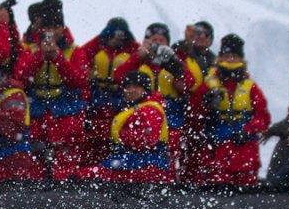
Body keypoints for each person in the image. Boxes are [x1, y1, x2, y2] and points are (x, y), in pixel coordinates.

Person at [13, 0, 87, 180]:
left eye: (56, 27)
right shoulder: (30, 50)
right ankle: (35, 190)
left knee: (65, 154)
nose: (52, 33)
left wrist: (57, 58)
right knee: (34, 154)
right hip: (36, 110)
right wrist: (39, 56)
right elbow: (20, 76)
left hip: (66, 110)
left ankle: (64, 189)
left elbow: (79, 81)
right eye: (48, 28)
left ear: (62, 28)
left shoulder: (75, 52)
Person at [113, 23, 192, 178]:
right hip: (141, 115)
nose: (157, 44)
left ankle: (169, 185)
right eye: (153, 40)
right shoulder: (138, 62)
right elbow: (118, 77)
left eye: (161, 40)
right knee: (138, 154)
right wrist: (139, 57)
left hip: (171, 118)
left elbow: (189, 84)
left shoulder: (175, 62)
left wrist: (174, 64)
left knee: (170, 155)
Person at [194, 34, 270, 185]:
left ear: (241, 59)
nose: (230, 60)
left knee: (246, 196)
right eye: (226, 56)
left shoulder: (250, 87)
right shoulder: (208, 85)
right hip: (217, 151)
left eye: (234, 56)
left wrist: (247, 131)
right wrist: (206, 105)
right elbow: (194, 115)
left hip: (245, 152)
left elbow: (262, 117)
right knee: (216, 193)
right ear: (220, 58)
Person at [76, 71, 173, 183]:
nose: (131, 90)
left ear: (145, 90)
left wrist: (121, 135)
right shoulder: (134, 107)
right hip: (131, 162)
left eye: (136, 87)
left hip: (146, 165)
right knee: (85, 175)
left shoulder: (150, 109)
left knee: (86, 176)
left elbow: (147, 140)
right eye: (128, 87)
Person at [79, 17, 139, 165]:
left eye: (122, 35)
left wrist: (130, 39)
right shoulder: (97, 48)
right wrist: (102, 36)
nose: (118, 38)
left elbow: (141, 55)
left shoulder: (131, 50)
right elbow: (82, 54)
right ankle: (89, 169)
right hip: (96, 99)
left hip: (120, 99)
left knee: (114, 138)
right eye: (113, 34)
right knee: (92, 138)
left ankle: (108, 168)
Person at [172, 21, 217, 183]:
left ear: (211, 40)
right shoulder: (183, 51)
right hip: (183, 108)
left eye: (205, 34)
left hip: (204, 113)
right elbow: (174, 54)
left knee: (200, 154)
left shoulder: (214, 61)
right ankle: (179, 182)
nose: (200, 37)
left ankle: (195, 184)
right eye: (197, 33)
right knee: (179, 149)